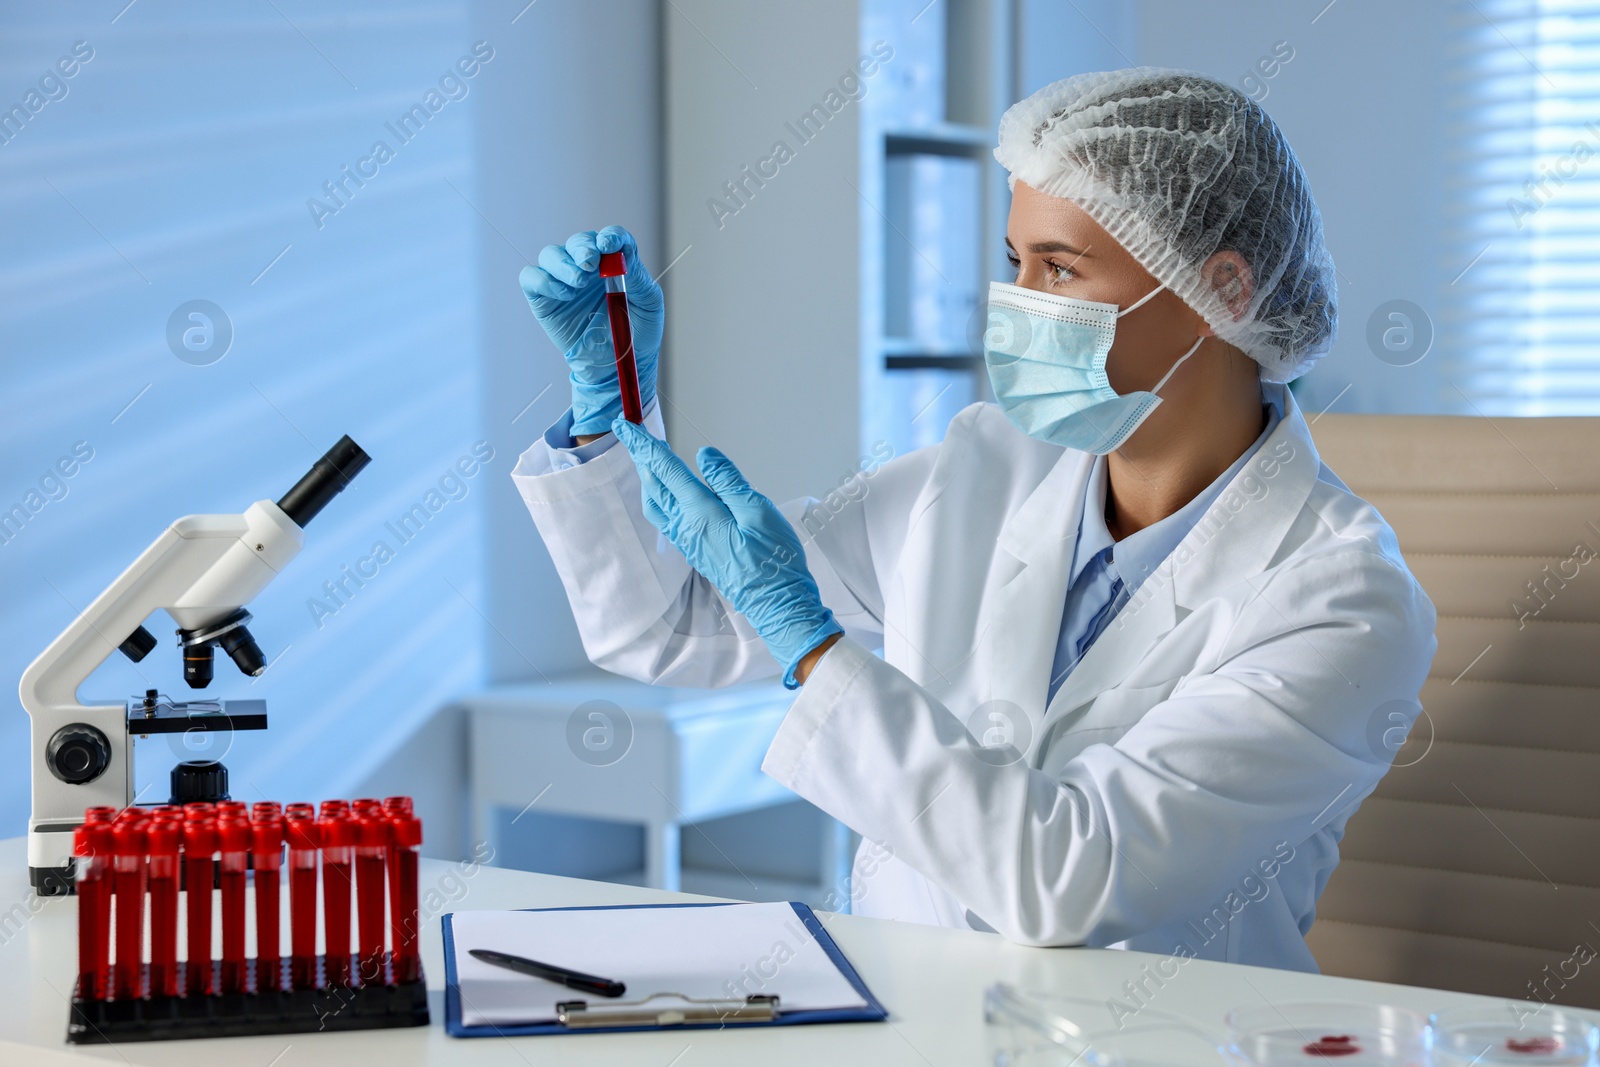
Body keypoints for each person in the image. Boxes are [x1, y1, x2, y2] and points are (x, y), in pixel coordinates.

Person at [510, 68, 1436, 972]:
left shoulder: (1344, 601)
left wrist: (812, 644)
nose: (1016, 304)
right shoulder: (981, 468)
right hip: (905, 1012)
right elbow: (671, 628)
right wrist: (609, 411)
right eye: (1014, 262)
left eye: (1060, 268)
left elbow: (1070, 879)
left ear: (1222, 293)